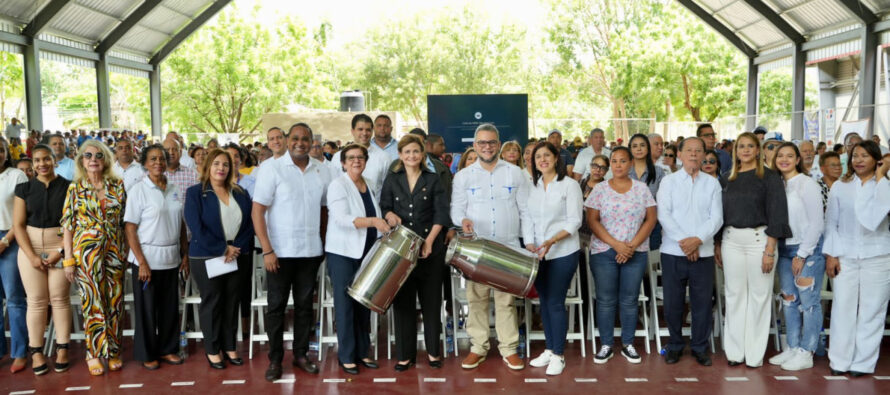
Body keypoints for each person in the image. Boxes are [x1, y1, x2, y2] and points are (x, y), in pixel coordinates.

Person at [252, 124, 332, 381]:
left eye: (305, 139)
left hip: (310, 252)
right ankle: (275, 359)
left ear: (312, 142)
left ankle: (300, 354)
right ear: (287, 140)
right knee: (276, 307)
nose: (300, 143)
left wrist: (323, 241)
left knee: (305, 308)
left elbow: (324, 210)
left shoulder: (322, 170)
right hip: (279, 253)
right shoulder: (271, 169)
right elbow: (258, 211)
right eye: (295, 138)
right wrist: (267, 250)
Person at [451, 123, 533, 371]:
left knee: (506, 302)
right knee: (476, 300)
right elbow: (456, 209)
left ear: (498, 144)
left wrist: (528, 243)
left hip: (507, 247)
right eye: (482, 143)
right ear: (475, 146)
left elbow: (525, 210)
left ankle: (509, 349)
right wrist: (461, 221)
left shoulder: (515, 173)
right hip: (476, 248)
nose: (487, 147)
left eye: (492, 142)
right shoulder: (463, 176)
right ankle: (478, 347)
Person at [717, 132, 790, 368]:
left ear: (758, 150)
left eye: (751, 146)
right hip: (731, 241)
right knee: (734, 295)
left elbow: (778, 214)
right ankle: (735, 352)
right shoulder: (726, 178)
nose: (746, 150)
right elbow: (720, 214)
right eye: (741, 146)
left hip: (761, 240)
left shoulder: (769, 177)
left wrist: (770, 249)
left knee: (759, 296)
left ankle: (754, 354)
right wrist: (718, 243)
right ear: (735, 150)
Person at [380, 135, 449, 371]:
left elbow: (441, 214)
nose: (411, 156)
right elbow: (385, 206)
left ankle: (432, 353)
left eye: (416, 152)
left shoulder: (433, 179)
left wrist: (429, 242)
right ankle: (405, 355)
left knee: (431, 302)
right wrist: (389, 215)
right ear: (400, 155)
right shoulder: (392, 179)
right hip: (401, 250)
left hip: (431, 249)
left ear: (423, 154)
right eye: (407, 152)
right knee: (403, 303)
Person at [60, 140, 127, 376]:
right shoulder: (74, 188)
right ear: (81, 160)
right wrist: (68, 260)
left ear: (106, 159)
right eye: (88, 155)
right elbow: (68, 226)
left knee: (115, 302)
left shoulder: (117, 185)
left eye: (99, 155)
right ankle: (95, 353)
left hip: (115, 251)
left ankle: (115, 350)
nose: (93, 159)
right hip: (86, 254)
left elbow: (124, 222)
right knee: (92, 303)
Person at [823, 140, 890, 377]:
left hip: (878, 255)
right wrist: (831, 255)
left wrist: (882, 175)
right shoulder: (841, 186)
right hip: (846, 256)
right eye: (855, 156)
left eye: (865, 156)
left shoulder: (884, 185)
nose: (859, 160)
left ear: (877, 159)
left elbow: (881, 212)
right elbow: (831, 223)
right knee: (843, 308)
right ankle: (839, 361)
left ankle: (863, 363)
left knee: (872, 311)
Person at [184, 148, 254, 370]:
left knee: (232, 302)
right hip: (207, 256)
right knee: (212, 302)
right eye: (216, 164)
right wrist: (222, 249)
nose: (221, 168)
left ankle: (230, 346)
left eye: (225, 164)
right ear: (208, 167)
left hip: (237, 255)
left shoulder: (240, 193)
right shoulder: (196, 193)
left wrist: (236, 248)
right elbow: (196, 226)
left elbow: (249, 224)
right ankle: (213, 349)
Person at [586, 147, 657, 365]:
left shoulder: (642, 188)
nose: (618, 165)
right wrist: (617, 245)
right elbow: (592, 221)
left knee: (629, 299)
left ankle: (628, 344)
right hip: (604, 251)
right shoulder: (600, 190)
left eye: (623, 161)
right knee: (606, 300)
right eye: (614, 161)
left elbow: (651, 219)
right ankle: (606, 344)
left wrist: (631, 246)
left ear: (630, 164)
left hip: (635, 252)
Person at [657, 137, 722, 367]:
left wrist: (697, 241)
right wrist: (685, 242)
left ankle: (699, 347)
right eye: (689, 150)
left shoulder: (712, 183)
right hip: (673, 251)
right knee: (673, 302)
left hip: (702, 253)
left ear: (704, 154)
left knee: (702, 303)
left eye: (698, 150)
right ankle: (674, 345)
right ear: (680, 155)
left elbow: (717, 218)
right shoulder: (669, 182)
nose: (694, 154)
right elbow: (664, 214)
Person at [123, 144, 188, 370]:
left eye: (161, 158)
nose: (159, 162)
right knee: (147, 310)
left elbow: (180, 223)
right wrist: (141, 262)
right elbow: (130, 228)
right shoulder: (138, 190)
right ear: (144, 163)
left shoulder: (174, 188)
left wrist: (185, 254)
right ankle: (147, 353)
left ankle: (169, 349)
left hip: (170, 257)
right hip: (146, 260)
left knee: (170, 307)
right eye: (153, 159)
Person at [325, 144, 388, 375]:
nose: (356, 161)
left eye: (360, 157)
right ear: (342, 162)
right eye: (350, 158)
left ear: (366, 160)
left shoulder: (368, 184)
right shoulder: (337, 185)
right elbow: (341, 218)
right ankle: (347, 355)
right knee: (345, 305)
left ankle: (363, 351)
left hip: (367, 251)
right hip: (342, 252)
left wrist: (383, 222)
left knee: (363, 304)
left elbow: (377, 213)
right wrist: (374, 222)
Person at [525, 142, 583, 376]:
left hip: (563, 252)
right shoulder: (534, 187)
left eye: (546, 155)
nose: (542, 160)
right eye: (538, 157)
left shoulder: (569, 185)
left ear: (556, 157)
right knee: (544, 302)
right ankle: (549, 349)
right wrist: (530, 243)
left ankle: (558, 354)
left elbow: (575, 220)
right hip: (538, 253)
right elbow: (527, 218)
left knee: (556, 302)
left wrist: (551, 241)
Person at [765, 142, 824, 371]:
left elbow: (817, 223)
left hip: (806, 250)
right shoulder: (777, 184)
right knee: (789, 301)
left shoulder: (806, 184)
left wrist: (802, 253)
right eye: (780, 155)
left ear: (798, 160)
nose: (785, 159)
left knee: (809, 303)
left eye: (790, 156)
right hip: (784, 248)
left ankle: (806, 350)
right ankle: (791, 346)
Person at [0, 140, 28, 373]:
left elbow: (23, 214)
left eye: (1, 149)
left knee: (14, 298)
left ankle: (20, 352)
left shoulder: (17, 176)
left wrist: (5, 240)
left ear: (7, 153)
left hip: (11, 237)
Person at [329, 114, 390, 199]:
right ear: (352, 131)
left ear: (372, 131)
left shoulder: (384, 158)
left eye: (368, 130)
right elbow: (333, 188)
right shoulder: (338, 157)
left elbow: (387, 190)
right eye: (360, 129)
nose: (364, 133)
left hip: (374, 209)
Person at [163, 139, 199, 206]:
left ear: (180, 152)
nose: (171, 152)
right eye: (167, 150)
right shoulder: (153, 175)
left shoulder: (193, 175)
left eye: (174, 149)